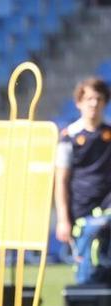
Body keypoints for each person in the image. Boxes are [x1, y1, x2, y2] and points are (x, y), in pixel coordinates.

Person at [54, 77, 111, 284]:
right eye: (89, 99)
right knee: (86, 273)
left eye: (99, 98)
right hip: (81, 212)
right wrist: (62, 220)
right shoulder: (68, 137)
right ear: (79, 103)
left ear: (105, 102)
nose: (94, 103)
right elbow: (60, 180)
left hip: (107, 209)